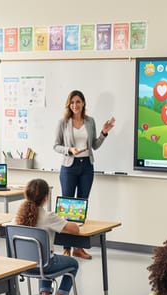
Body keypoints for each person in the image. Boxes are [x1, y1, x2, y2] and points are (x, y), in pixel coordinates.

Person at [52, 89, 115, 259]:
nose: (75, 105)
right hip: (69, 167)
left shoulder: (90, 121)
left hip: (86, 166)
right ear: (69, 104)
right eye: (72, 102)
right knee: (67, 208)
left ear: (83, 103)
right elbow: (56, 145)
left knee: (81, 207)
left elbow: (94, 145)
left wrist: (104, 133)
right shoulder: (63, 122)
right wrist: (69, 150)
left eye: (78, 101)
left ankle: (78, 248)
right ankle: (66, 247)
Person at [14, 178, 80, 295]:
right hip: (43, 265)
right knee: (72, 263)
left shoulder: (17, 218)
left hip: (22, 266)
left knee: (42, 256)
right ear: (46, 197)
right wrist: (64, 221)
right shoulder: (49, 217)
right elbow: (75, 230)